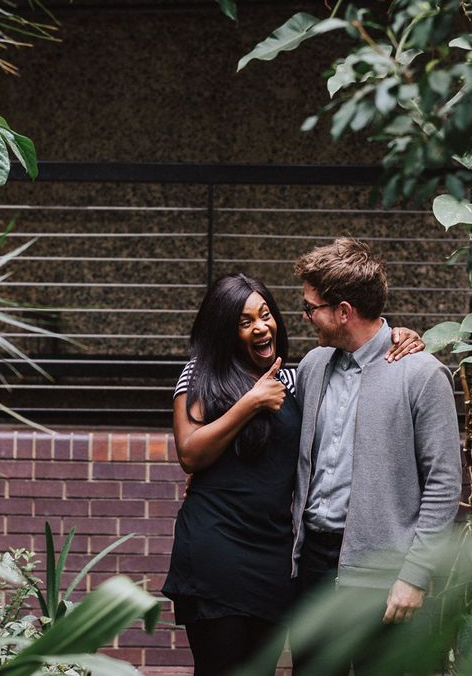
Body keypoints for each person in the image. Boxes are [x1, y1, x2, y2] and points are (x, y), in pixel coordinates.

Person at [162, 273, 424, 676]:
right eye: (245, 321)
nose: (261, 327)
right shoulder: (202, 374)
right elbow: (190, 453)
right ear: (224, 329)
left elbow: (360, 351)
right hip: (216, 549)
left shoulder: (296, 378)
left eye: (265, 314)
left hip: (274, 557)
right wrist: (250, 403)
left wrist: (397, 335)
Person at [289, 238, 463, 675]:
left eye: (311, 308)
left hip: (384, 579)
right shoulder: (313, 365)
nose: (305, 316)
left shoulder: (422, 374)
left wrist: (414, 576)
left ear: (343, 311)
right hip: (313, 570)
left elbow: (444, 485)